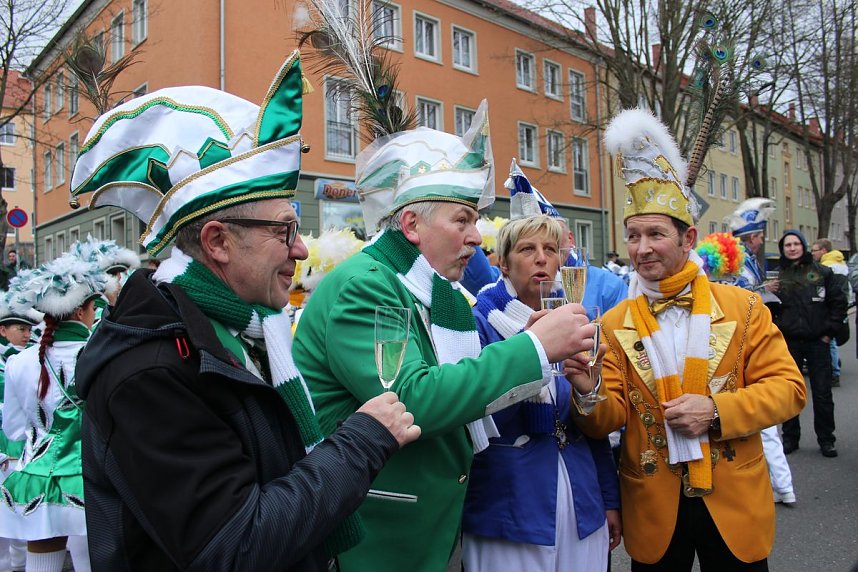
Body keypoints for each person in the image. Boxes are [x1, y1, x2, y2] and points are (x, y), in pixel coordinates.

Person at [68, 51, 420, 571]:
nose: (301, 251)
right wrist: (361, 441)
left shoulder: (247, 331)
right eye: (285, 230)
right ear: (218, 242)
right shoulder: (148, 371)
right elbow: (233, 547)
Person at [293, 102, 597, 572]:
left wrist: (519, 344)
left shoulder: (430, 288)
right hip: (381, 534)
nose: (477, 237)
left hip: (427, 524)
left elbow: (450, 376)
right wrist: (534, 349)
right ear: (412, 225)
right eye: (463, 220)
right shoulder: (369, 284)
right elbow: (411, 398)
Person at [571, 108, 806, 570]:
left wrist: (716, 411)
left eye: (655, 234)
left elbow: (789, 390)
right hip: (654, 508)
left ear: (688, 238)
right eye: (633, 235)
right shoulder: (614, 322)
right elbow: (607, 421)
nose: (641, 249)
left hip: (734, 504)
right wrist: (586, 390)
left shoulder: (744, 308)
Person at [462, 212, 621, 571]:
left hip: (582, 503)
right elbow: (472, 415)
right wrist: (529, 351)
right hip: (509, 509)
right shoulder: (478, 323)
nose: (541, 258)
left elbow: (594, 431)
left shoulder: (574, 322)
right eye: (527, 249)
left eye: (551, 249)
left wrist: (609, 499)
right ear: (503, 262)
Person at [0, 251, 107, 572]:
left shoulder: (18, 361)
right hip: (93, 476)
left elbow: (16, 430)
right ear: (81, 310)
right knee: (93, 560)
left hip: (36, 477)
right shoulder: (101, 353)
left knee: (41, 564)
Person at [725, 200, 797, 505]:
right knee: (761, 421)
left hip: (751, 338)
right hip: (742, 342)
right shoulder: (739, 262)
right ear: (751, 237)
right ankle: (781, 487)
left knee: (763, 422)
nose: (759, 240)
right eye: (757, 235)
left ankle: (782, 486)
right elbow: (742, 300)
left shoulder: (747, 260)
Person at [770, 230, 845, 457]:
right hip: (789, 343)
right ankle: (790, 438)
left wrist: (828, 332)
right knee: (790, 393)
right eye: (787, 245)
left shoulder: (822, 273)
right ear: (783, 249)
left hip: (817, 342)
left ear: (803, 246)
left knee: (822, 393)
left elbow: (838, 302)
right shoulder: (779, 277)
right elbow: (771, 310)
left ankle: (826, 440)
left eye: (796, 244)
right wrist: (767, 293)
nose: (792, 248)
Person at [0, 290, 42, 572]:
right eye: (20, 329)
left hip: (25, 451)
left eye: (29, 329)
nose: (26, 334)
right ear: (3, 330)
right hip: (4, 449)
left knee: (22, 522)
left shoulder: (30, 358)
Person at [811, 238, 850, 387]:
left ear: (823, 251)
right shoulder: (841, 263)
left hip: (828, 307)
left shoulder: (826, 266)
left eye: (815, 250)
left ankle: (834, 372)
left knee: (830, 341)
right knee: (833, 341)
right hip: (840, 304)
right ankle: (835, 369)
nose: (813, 253)